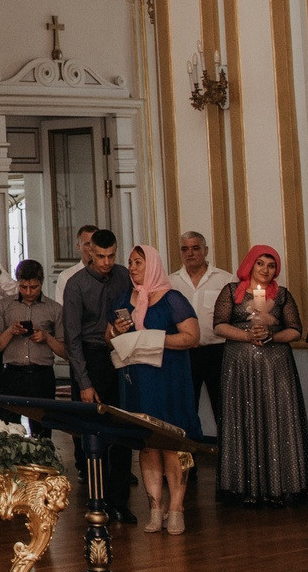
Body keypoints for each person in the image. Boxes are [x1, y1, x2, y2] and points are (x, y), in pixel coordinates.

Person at [111, 244, 200, 533]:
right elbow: (107, 334)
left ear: (153, 265)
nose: (132, 268)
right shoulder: (127, 297)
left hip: (169, 379)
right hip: (138, 380)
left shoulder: (173, 298)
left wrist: (153, 338)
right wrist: (117, 331)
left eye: (138, 262)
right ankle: (155, 508)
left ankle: (176, 509)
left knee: (171, 444)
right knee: (147, 445)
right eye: (130, 263)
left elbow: (192, 337)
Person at [212, 245, 308, 506]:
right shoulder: (232, 292)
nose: (266, 270)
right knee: (241, 419)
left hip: (275, 367)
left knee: (275, 420)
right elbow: (219, 325)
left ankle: (279, 486)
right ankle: (242, 488)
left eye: (271, 265)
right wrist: (246, 336)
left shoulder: (283, 296)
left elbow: (296, 331)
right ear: (250, 265)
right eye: (260, 264)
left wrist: (273, 336)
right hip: (240, 367)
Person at [61, 227, 137, 522]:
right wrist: (84, 381)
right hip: (91, 357)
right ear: (89, 251)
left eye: (111, 255)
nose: (107, 262)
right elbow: (72, 339)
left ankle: (121, 501)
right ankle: (98, 500)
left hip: (121, 352)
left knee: (123, 427)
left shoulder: (122, 275)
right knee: (96, 433)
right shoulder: (75, 285)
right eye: (101, 256)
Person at [0, 259, 67, 422]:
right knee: (8, 430)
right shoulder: (4, 305)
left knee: (42, 430)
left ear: (41, 283)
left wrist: (46, 337)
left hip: (41, 376)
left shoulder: (54, 309)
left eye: (34, 287)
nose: (28, 292)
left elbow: (65, 353)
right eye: (23, 287)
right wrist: (11, 331)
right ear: (18, 283)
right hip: (12, 374)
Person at [172, 232, 234, 435]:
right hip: (183, 353)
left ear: (205, 251)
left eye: (195, 248)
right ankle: (187, 463)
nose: (190, 253)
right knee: (184, 407)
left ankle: (228, 460)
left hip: (217, 351)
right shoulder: (170, 283)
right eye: (185, 249)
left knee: (223, 407)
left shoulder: (225, 280)